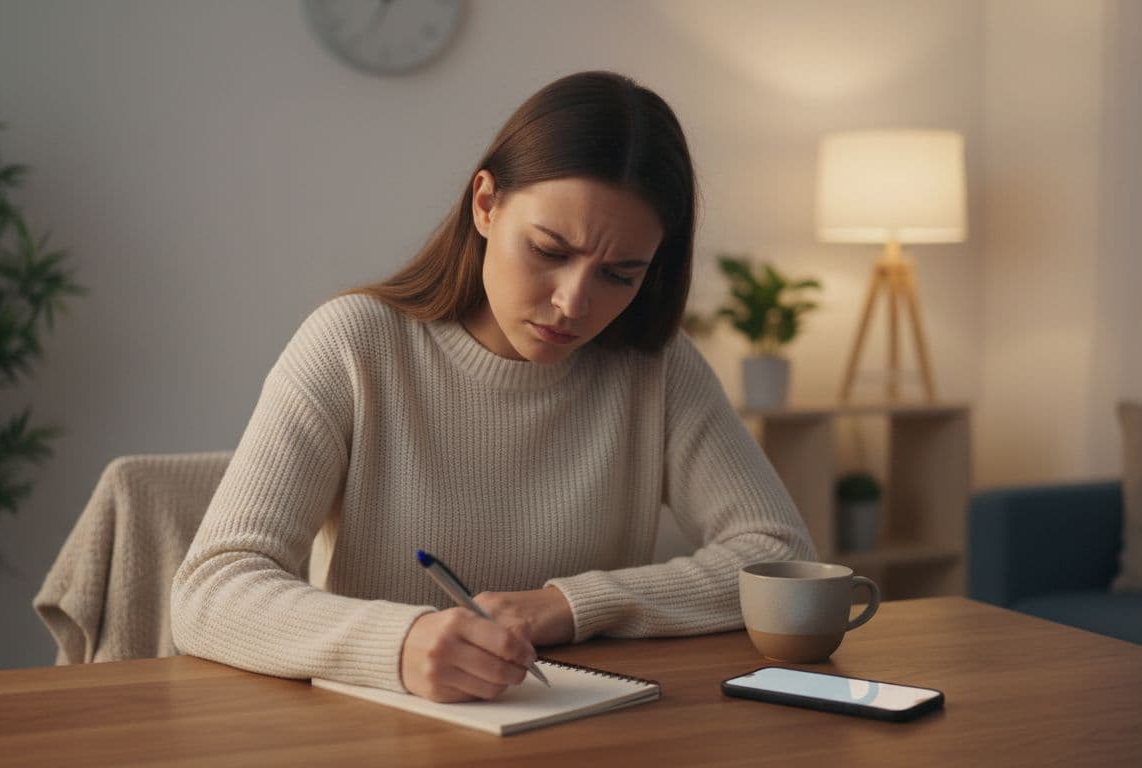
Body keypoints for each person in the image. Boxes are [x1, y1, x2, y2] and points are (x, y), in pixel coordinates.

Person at [171, 71, 817, 703]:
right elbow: (211, 590)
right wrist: (401, 642)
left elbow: (778, 554)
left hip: (584, 738)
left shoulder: (657, 368)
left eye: (620, 275)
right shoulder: (354, 346)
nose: (573, 303)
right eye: (549, 250)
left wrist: (570, 605)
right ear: (485, 204)